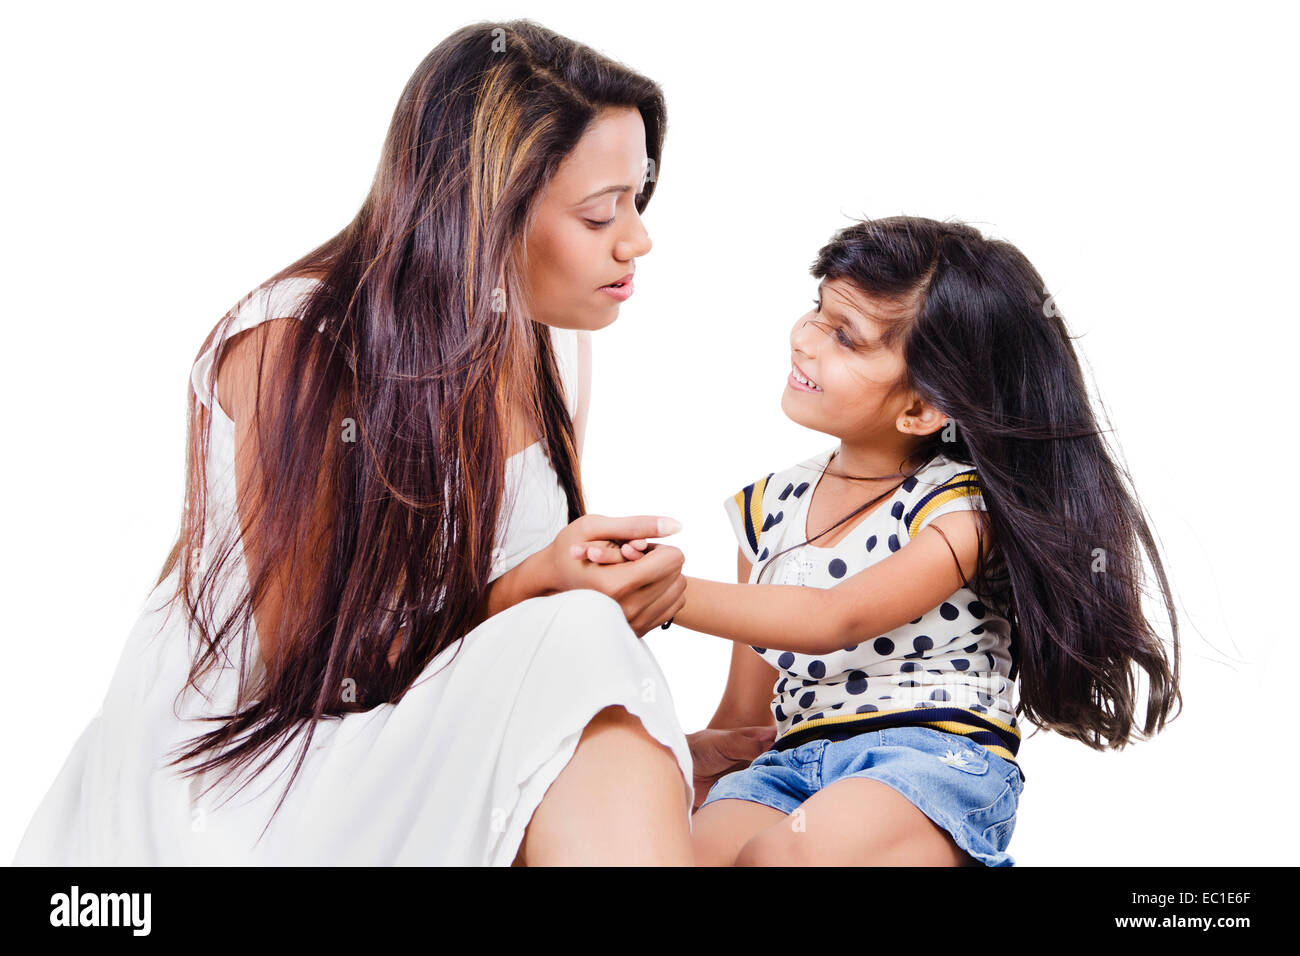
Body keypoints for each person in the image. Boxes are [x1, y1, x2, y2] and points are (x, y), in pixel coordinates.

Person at [11, 19, 773, 867]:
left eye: (638, 197)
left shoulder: (547, 338)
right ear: (483, 212)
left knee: (593, 662)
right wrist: (536, 587)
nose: (637, 239)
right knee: (579, 641)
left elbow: (517, 635)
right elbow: (308, 672)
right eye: (599, 214)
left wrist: (648, 734)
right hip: (262, 766)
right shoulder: (294, 347)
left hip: (416, 723)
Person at [581, 216, 1183, 866]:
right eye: (818, 308)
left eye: (846, 336)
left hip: (930, 758)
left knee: (781, 860)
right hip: (790, 765)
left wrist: (666, 594)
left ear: (921, 410)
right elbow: (744, 712)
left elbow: (833, 618)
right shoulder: (766, 514)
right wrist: (683, 768)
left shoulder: (958, 510)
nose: (806, 338)